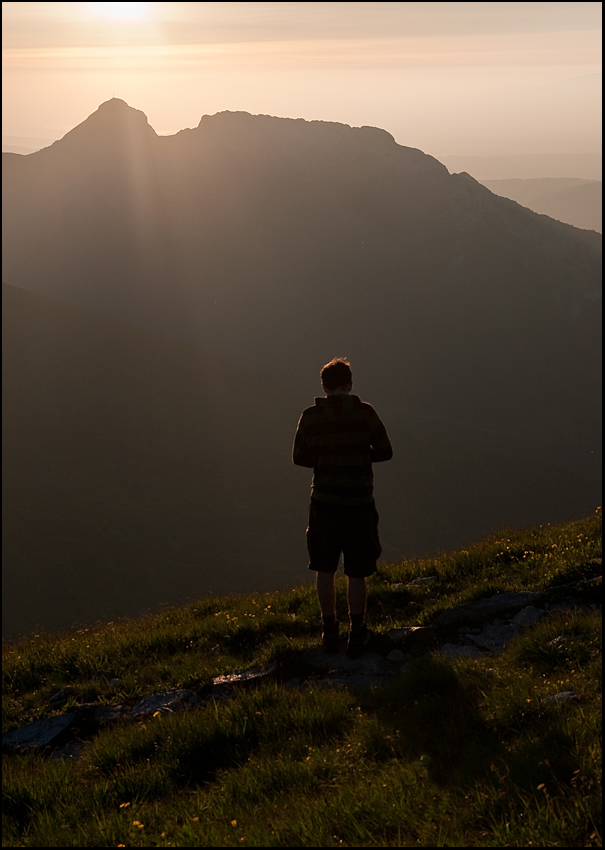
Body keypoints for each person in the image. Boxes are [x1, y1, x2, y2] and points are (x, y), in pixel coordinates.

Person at [292, 357, 393, 658]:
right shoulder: (366, 414)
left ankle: (329, 629)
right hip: (360, 503)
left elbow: (298, 456)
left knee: (325, 568)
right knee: (357, 571)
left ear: (323, 386)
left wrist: (325, 460)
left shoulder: (310, 416)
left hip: (323, 503)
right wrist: (359, 456)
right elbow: (386, 451)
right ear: (350, 384)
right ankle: (357, 631)